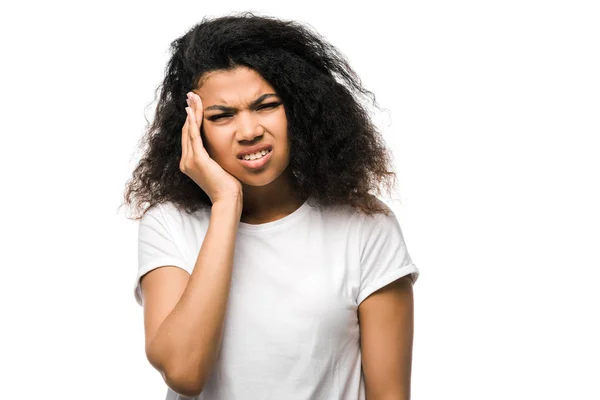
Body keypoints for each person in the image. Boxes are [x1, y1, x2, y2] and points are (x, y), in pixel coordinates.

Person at [122, 12, 420, 400]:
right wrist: (226, 203)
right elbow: (184, 372)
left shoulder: (365, 227)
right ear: (194, 130)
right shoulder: (170, 225)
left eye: (265, 105)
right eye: (222, 116)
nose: (248, 131)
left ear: (298, 109)